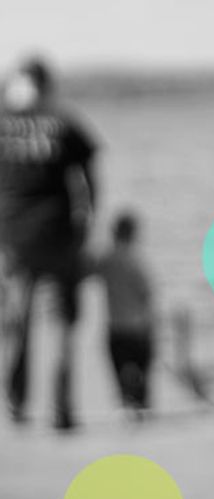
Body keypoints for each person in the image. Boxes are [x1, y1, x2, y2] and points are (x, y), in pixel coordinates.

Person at [0, 55, 98, 429]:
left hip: (13, 239)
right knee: (63, 324)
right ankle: (62, 410)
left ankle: (15, 402)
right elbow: (90, 181)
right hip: (60, 236)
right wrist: (88, 227)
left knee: (17, 320)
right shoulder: (66, 123)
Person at [93, 212, 155, 420]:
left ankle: (125, 401)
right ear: (134, 234)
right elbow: (147, 293)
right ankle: (142, 403)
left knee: (120, 367)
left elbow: (89, 270)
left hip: (116, 327)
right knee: (142, 367)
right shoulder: (137, 260)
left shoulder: (107, 259)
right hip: (139, 327)